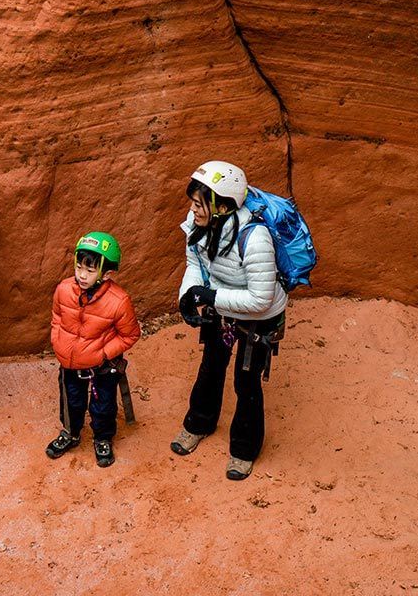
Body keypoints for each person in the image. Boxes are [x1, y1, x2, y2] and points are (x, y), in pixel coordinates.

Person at [170, 160, 287, 480]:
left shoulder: (256, 238)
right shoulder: (197, 222)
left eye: (199, 203)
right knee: (211, 366)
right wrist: (188, 293)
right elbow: (195, 260)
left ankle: (244, 449)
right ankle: (199, 423)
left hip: (257, 321)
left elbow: (261, 299)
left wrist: (210, 298)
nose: (192, 209)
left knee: (246, 381)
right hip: (221, 311)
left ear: (221, 206)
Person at [46, 232, 141, 467]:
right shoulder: (64, 289)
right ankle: (71, 432)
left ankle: (103, 437)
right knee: (71, 400)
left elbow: (130, 334)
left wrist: (103, 354)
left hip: (102, 366)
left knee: (104, 403)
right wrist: (57, 339)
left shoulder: (119, 301)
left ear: (107, 274)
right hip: (70, 362)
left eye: (89, 270)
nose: (81, 274)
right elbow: (57, 315)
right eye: (79, 267)